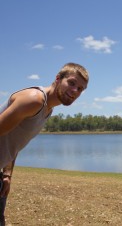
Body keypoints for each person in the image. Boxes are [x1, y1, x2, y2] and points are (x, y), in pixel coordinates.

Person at [0, 62, 89, 225]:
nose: (75, 91)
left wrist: (6, 174)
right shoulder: (34, 100)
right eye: (71, 83)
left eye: (80, 89)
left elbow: (13, 140)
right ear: (57, 78)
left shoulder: (47, 108)